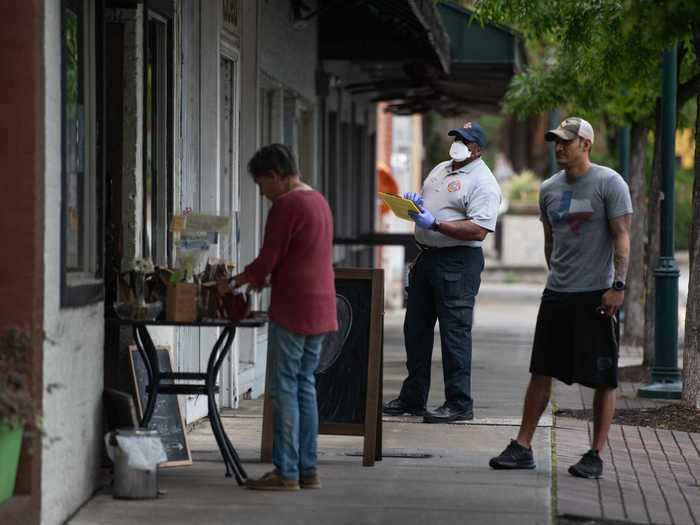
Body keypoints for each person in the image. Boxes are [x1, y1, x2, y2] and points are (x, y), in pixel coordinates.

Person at [489, 117, 632, 479]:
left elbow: (622, 237)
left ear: (586, 143)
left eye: (566, 141)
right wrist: (556, 277)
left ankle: (595, 454)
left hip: (595, 297)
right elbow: (550, 241)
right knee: (541, 371)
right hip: (557, 294)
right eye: (556, 141)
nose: (559, 147)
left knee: (603, 377)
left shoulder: (609, 183)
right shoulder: (549, 188)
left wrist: (618, 287)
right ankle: (522, 446)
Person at [222, 143, 337, 491]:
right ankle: (308, 469)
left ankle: (286, 471)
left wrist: (234, 282)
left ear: (276, 176)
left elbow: (268, 258)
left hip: (294, 307)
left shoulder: (287, 205)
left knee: (284, 387)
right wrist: (261, 277)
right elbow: (299, 256)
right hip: (321, 305)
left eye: (262, 185)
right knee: (305, 386)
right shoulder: (318, 201)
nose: (263, 194)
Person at [383, 122, 502, 423]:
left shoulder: (483, 182)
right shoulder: (440, 169)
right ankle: (413, 397)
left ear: (478, 149)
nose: (458, 143)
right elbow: (430, 204)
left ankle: (459, 403)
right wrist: (415, 203)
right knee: (416, 331)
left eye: (466, 140)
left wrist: (435, 224)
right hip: (427, 259)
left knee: (454, 335)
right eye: (457, 137)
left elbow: (478, 230)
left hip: (458, 263)